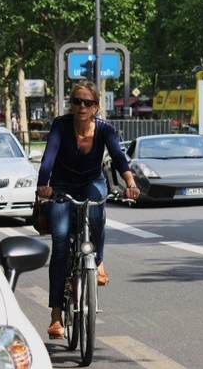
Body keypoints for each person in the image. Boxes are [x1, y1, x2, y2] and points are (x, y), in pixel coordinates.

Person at [36, 80, 140, 339]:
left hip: (92, 182)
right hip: (61, 184)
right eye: (77, 101)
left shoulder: (105, 129)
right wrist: (43, 185)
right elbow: (49, 156)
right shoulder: (60, 125)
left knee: (96, 213)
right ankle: (56, 315)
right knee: (60, 244)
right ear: (71, 104)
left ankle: (99, 260)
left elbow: (118, 157)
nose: (82, 106)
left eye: (88, 102)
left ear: (96, 106)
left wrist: (130, 182)